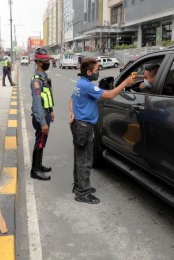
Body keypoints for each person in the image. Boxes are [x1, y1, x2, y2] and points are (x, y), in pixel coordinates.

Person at [69, 57, 136, 204]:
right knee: (85, 160)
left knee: (80, 159)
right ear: (88, 72)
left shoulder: (80, 83)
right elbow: (110, 95)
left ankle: (79, 186)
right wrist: (125, 82)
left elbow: (71, 100)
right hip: (84, 127)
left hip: (79, 125)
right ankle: (82, 193)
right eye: (96, 71)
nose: (98, 73)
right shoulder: (87, 86)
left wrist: (72, 112)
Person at [30, 47, 55, 181]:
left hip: (46, 114)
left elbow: (48, 96)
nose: (48, 63)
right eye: (46, 61)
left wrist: (51, 111)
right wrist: (42, 122)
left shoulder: (44, 77)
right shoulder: (36, 81)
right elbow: (37, 103)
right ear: (39, 63)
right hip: (41, 117)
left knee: (42, 141)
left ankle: (39, 165)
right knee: (39, 142)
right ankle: (34, 170)